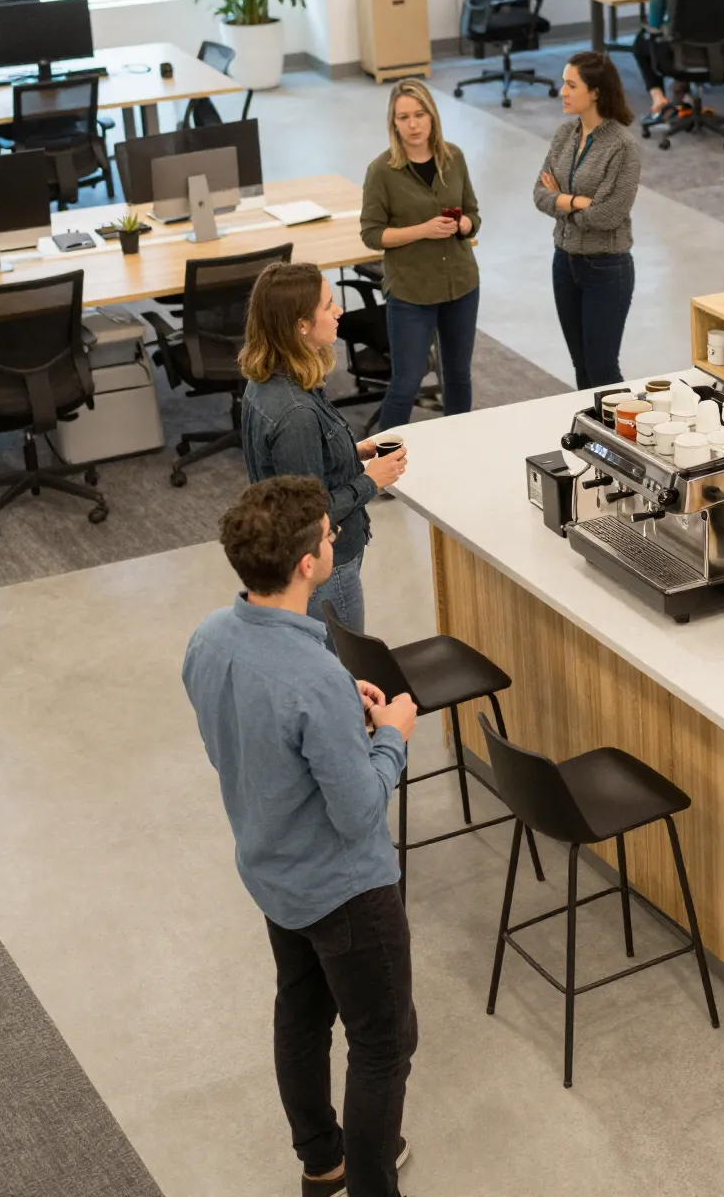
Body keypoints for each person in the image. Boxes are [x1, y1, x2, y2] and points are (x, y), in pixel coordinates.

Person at [183, 476, 422, 1197]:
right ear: (307, 565)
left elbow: (252, 733)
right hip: (346, 891)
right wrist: (393, 737)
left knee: (302, 1007)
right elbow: (357, 812)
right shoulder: (313, 679)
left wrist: (338, 709)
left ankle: (323, 1161)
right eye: (326, 534)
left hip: (272, 872)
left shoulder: (209, 639)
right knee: (384, 1043)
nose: (334, 536)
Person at [240, 261, 407, 637]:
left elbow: (294, 475)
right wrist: (371, 481)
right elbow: (307, 514)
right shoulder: (296, 411)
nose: (339, 311)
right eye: (328, 304)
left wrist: (350, 451)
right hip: (327, 564)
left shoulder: (270, 379)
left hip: (302, 560)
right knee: (344, 671)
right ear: (301, 324)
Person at [359, 78, 481, 431]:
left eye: (419, 114)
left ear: (432, 117)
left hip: (461, 283)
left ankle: (457, 444)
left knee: (458, 376)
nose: (413, 124)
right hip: (411, 291)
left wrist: (464, 226)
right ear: (393, 123)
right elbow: (371, 234)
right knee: (406, 381)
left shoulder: (453, 157)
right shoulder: (381, 171)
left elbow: (473, 213)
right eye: (403, 117)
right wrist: (422, 230)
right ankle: (382, 465)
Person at [534, 51, 642, 389]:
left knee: (603, 371)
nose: (562, 92)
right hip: (564, 264)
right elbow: (540, 194)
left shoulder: (622, 146)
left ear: (595, 91)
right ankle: (594, 442)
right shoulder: (565, 134)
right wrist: (578, 201)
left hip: (606, 269)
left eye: (570, 85)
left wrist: (561, 201)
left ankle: (624, 440)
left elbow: (609, 215)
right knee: (582, 369)